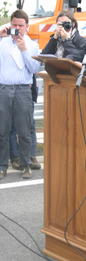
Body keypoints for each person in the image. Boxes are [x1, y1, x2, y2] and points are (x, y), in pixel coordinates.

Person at [0, 10, 40, 180]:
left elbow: (35, 69)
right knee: (3, 130)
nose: (17, 28)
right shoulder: (2, 43)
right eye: (14, 25)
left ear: (27, 26)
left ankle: (26, 165)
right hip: (4, 89)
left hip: (23, 89)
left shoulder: (32, 45)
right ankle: (2, 167)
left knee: (24, 131)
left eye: (20, 25)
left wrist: (24, 50)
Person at [9, 73, 41, 170]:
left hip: (27, 89)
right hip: (9, 88)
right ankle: (16, 157)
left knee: (30, 125)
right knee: (12, 126)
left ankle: (31, 156)